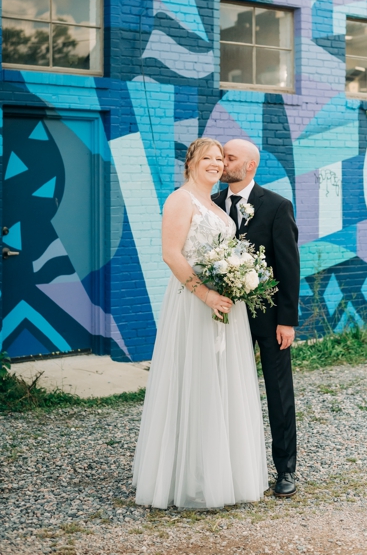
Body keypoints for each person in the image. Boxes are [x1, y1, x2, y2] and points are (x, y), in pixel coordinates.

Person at [133, 137, 268, 509]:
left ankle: (222, 475)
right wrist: (205, 294)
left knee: (221, 385)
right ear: (191, 162)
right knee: (194, 383)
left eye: (219, 159)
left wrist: (239, 279)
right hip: (193, 305)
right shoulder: (181, 200)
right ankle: (188, 479)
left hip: (225, 306)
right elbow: (171, 254)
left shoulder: (215, 205)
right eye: (206, 157)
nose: (215, 163)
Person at [215, 139, 300, 498]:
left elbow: (289, 265)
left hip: (268, 318)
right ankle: (231, 467)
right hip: (223, 316)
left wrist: (287, 320)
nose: (222, 163)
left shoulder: (277, 206)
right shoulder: (211, 203)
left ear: (249, 166)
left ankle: (286, 470)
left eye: (229, 158)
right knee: (225, 389)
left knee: (278, 392)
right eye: (221, 157)